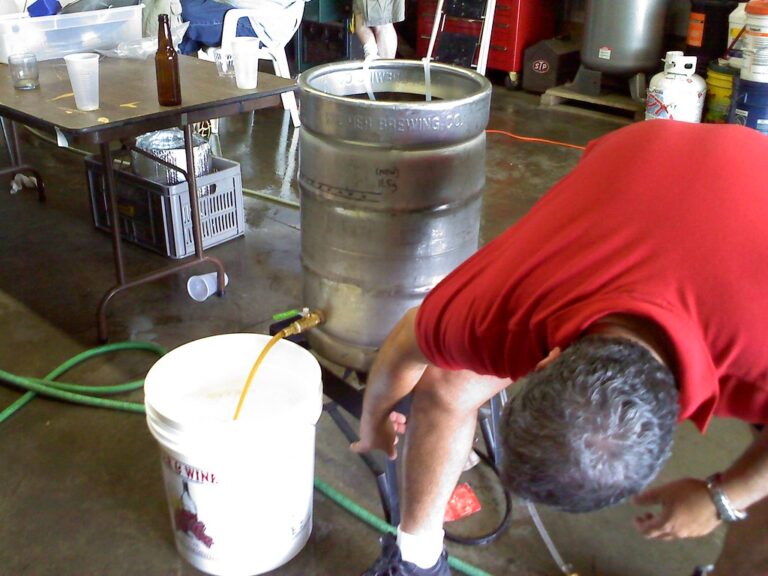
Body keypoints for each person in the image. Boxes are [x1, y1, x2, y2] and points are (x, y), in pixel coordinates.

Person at [351, 120, 768, 576]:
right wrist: (373, 418)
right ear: (546, 358)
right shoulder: (499, 304)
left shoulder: (756, 359)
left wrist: (722, 499)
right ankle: (416, 556)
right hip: (647, 149)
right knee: (449, 384)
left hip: (746, 183)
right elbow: (409, 339)